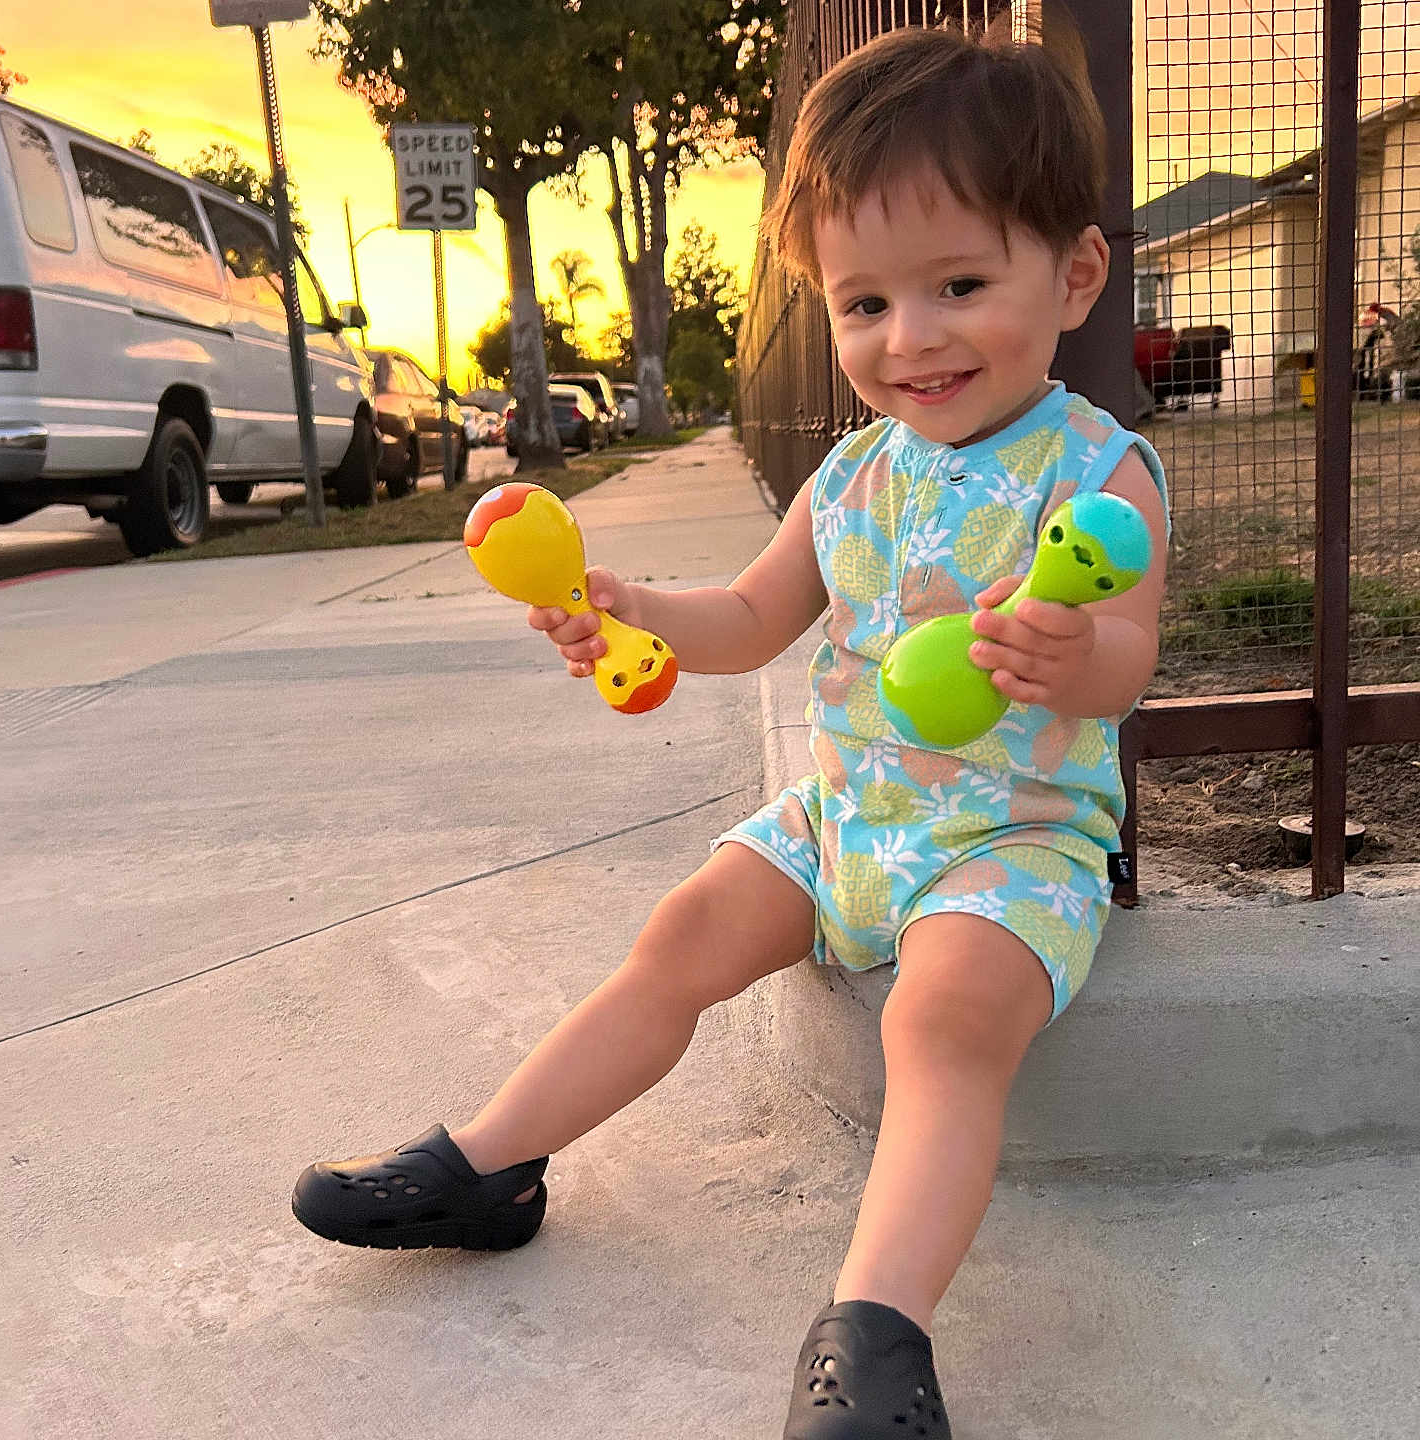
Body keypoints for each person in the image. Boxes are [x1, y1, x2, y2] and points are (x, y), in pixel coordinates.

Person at [292, 14, 1169, 1438]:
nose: (913, 336)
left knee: (942, 1025)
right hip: (846, 820)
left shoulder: (1095, 467)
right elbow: (754, 622)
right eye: (865, 303)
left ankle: (875, 1332)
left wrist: (1072, 651)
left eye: (960, 282)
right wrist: (623, 600)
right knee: (680, 936)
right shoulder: (850, 474)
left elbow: (1128, 659)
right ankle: (493, 1165)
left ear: (1072, 274)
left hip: (1010, 841)